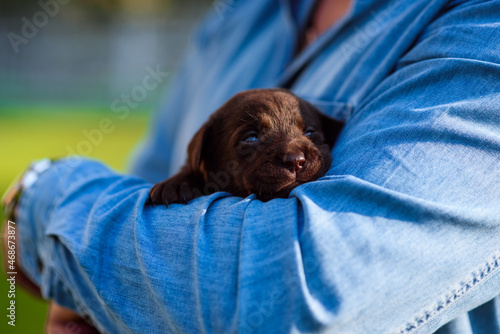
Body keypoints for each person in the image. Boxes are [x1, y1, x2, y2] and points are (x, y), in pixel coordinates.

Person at [2, 0, 500, 333]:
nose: (296, 152)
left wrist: (44, 202)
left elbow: (299, 290)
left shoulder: (482, 21)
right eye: (253, 138)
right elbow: (146, 195)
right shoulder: (237, 14)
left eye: (312, 133)